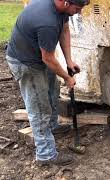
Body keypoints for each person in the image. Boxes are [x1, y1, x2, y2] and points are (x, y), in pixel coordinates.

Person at [6, 0, 90, 166]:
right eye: (78, 8)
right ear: (66, 3)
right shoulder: (47, 22)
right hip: (26, 63)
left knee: (53, 90)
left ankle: (52, 126)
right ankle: (46, 155)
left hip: (39, 58)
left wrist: (69, 60)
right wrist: (67, 77)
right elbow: (48, 58)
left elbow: (64, 30)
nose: (79, 12)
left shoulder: (61, 10)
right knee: (39, 107)